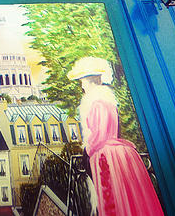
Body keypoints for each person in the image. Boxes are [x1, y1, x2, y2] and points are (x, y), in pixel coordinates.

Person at [67, 56, 164, 216]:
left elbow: (99, 134)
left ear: (90, 81)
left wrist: (88, 150)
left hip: (105, 156)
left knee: (112, 199)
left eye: (83, 80)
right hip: (117, 153)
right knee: (129, 198)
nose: (82, 84)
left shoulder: (95, 102)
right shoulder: (107, 101)